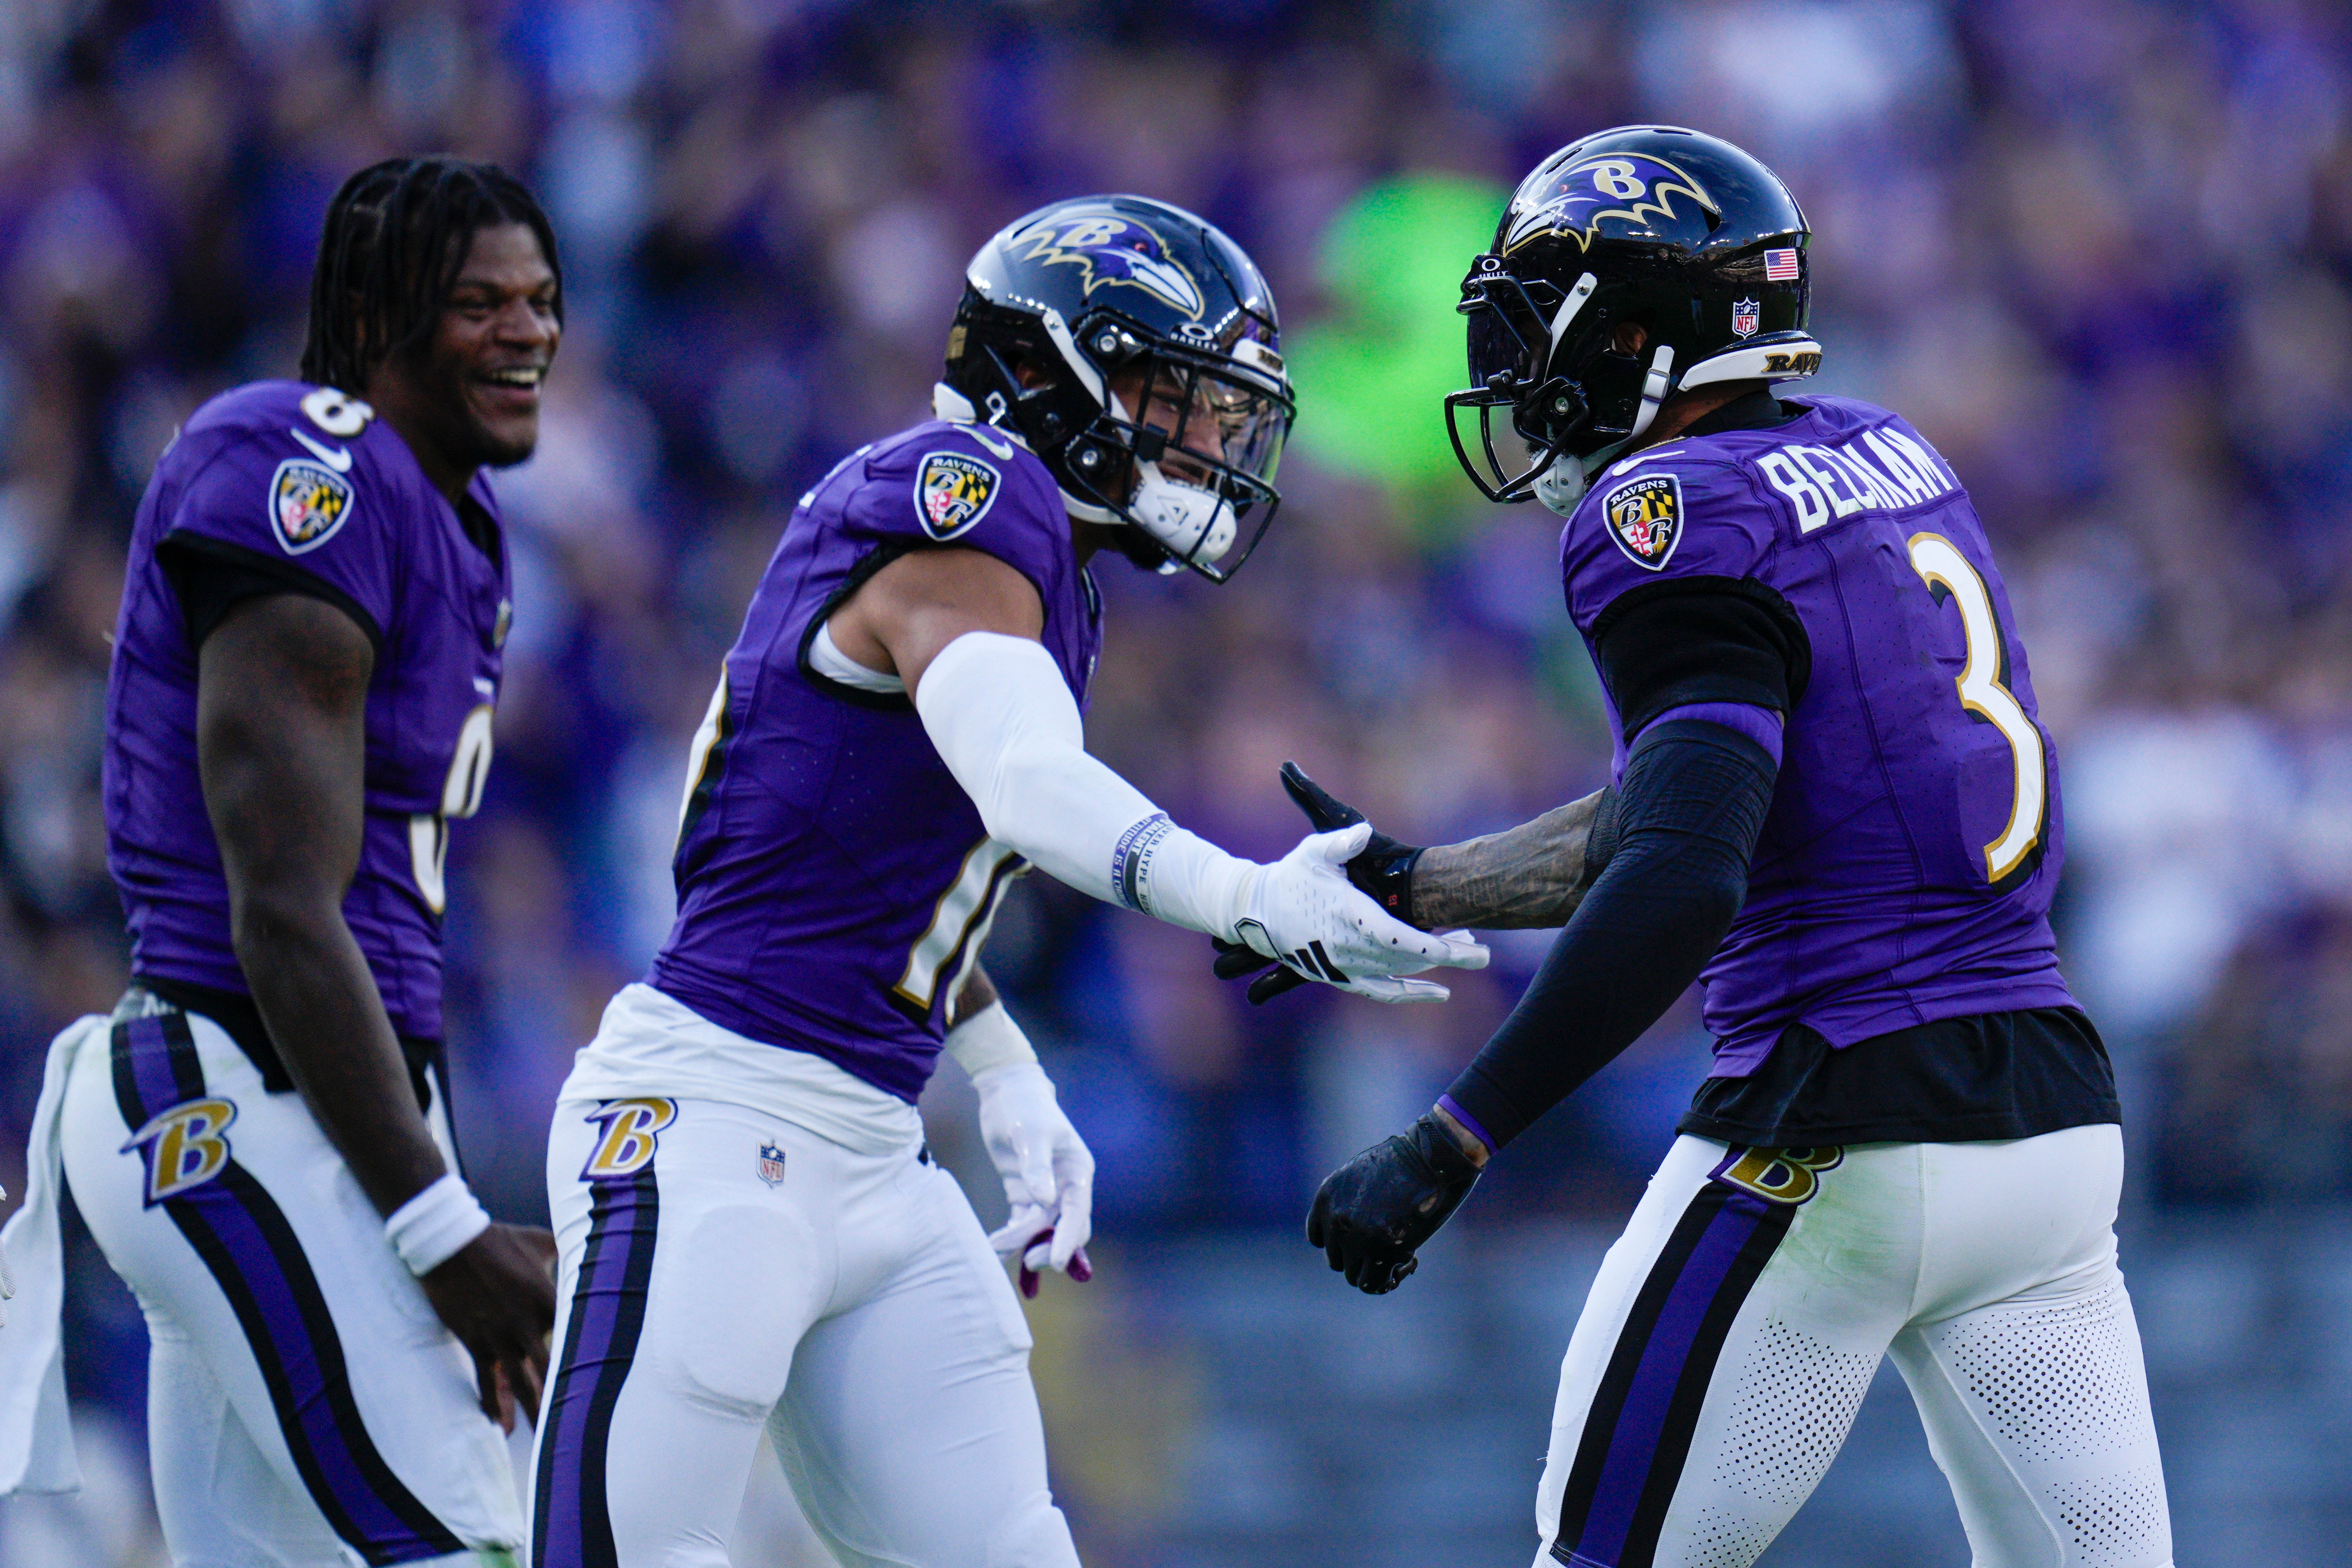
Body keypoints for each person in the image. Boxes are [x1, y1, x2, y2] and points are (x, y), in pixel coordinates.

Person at [1229, 127, 2175, 1568]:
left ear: (1634, 333)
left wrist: (1456, 1134)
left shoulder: (1665, 514)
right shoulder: (1887, 452)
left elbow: (1686, 870)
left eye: (1541, 325)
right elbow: (1699, 805)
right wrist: (1421, 884)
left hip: (1835, 1129)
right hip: (2045, 1127)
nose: (1519, 369)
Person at [528, 194, 1486, 1568]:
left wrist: (999, 1064)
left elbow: (865, 855)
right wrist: (1249, 899)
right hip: (710, 1124)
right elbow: (1025, 785)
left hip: (866, 1150)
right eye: (1183, 396)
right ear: (1049, 371)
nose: (1214, 441)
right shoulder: (971, 499)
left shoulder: (1047, 561)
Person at [1, 157, 562, 1566]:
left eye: (543, 301)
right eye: (479, 302)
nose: (529, 332)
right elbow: (281, 914)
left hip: (300, 1105)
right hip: (233, 1084)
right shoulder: (303, 465)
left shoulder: (458, 531)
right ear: (377, 317)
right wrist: (438, 1220)